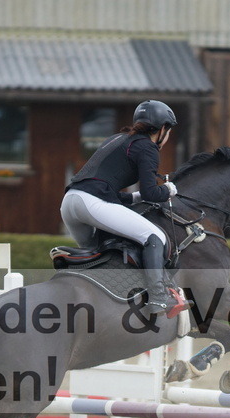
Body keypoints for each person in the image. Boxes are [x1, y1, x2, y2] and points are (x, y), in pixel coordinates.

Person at [61, 100, 181, 315]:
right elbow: (151, 193)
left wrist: (133, 197)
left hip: (71, 202)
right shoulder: (147, 147)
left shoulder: (117, 138)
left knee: (98, 252)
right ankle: (158, 298)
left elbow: (103, 185)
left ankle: (102, 298)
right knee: (155, 237)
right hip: (91, 203)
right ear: (163, 129)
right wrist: (169, 190)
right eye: (169, 130)